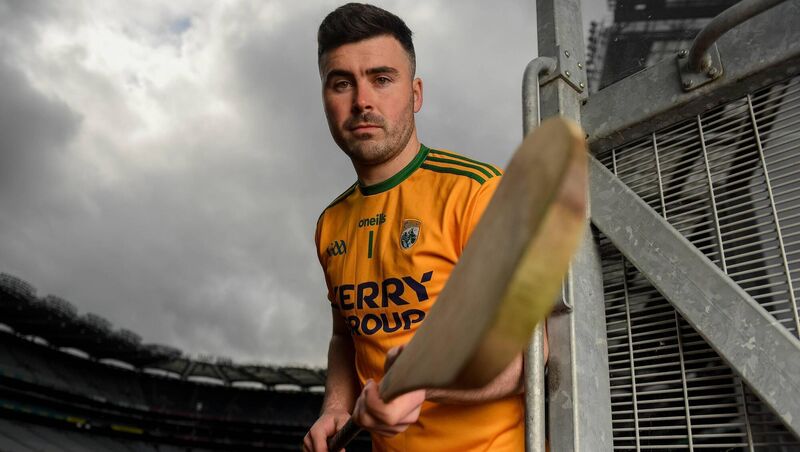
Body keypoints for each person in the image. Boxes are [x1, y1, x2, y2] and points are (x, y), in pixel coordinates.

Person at [304, 3, 547, 451]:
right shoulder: (330, 224)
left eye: (381, 79)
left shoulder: (478, 192)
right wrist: (337, 405)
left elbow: (530, 356)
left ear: (415, 94)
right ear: (325, 100)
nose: (362, 101)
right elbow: (346, 335)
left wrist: (423, 384)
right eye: (342, 83)